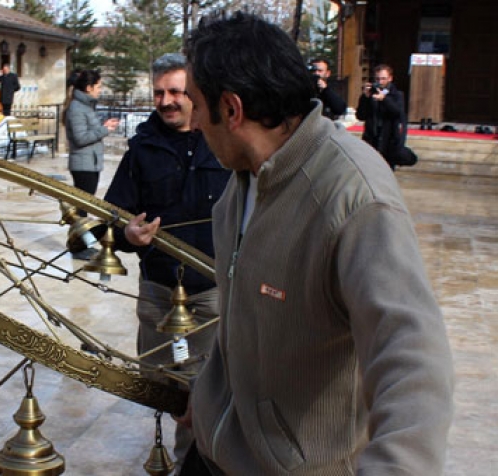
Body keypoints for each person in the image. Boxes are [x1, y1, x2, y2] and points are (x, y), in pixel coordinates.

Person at [177, 12, 454, 475]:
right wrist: (211, 398)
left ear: (231, 109)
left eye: (195, 104)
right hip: (213, 456)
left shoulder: (354, 195)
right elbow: (243, 318)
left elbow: (414, 361)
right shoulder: (239, 186)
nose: (193, 121)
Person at [103, 52, 231, 470]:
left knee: (210, 391)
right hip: (159, 293)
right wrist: (127, 235)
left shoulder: (223, 141)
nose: (167, 100)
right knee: (166, 386)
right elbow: (112, 218)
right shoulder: (142, 149)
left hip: (213, 295)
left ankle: (193, 465)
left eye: (176, 91)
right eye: (159, 92)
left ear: (194, 94)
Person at [63, 69, 120, 260]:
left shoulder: (85, 106)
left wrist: (105, 126)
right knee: (81, 208)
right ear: (88, 88)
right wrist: (104, 130)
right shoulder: (77, 108)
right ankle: (79, 246)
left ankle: (82, 243)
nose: (100, 90)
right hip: (82, 164)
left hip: (90, 163)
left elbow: (89, 130)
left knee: (84, 206)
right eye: (98, 86)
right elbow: (80, 138)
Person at [356, 64, 412, 170]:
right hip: (372, 138)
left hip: (388, 140)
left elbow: (398, 112)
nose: (380, 82)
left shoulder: (397, 95)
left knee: (387, 170)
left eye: (383, 78)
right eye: (377, 78)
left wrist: (384, 99)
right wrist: (365, 98)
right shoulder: (370, 95)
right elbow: (360, 116)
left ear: (390, 78)